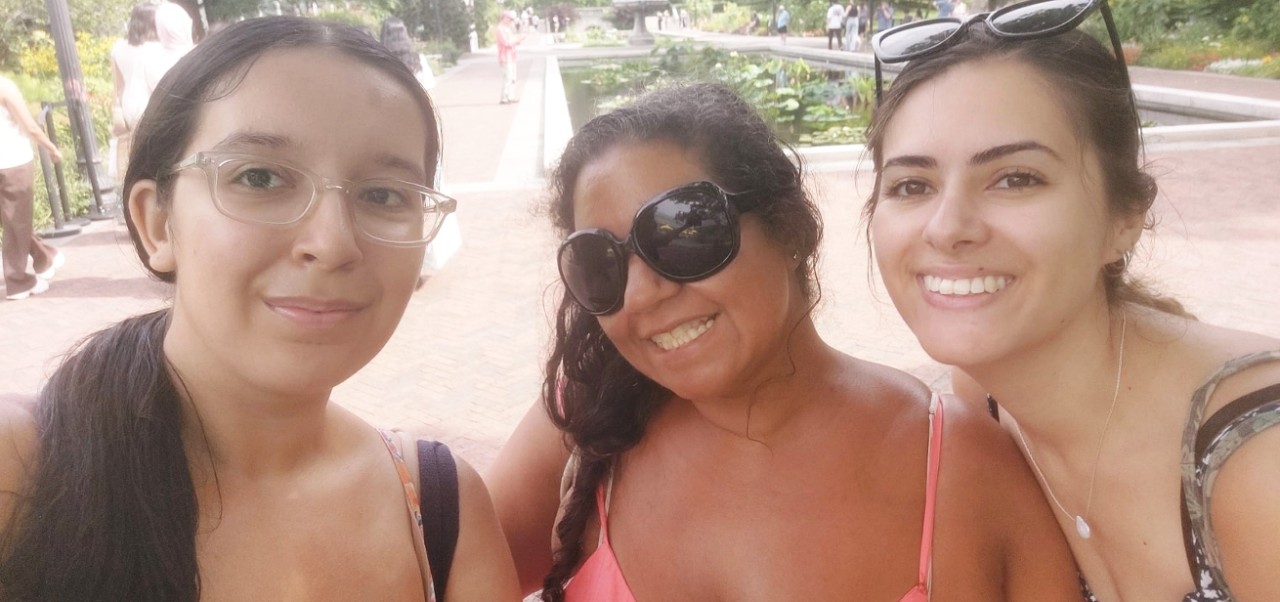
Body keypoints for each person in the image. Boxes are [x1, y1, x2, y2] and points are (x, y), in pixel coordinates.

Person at [488, 82, 1080, 601]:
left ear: (790, 229)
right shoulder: (589, 423)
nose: (640, 295)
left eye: (685, 231)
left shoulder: (961, 470)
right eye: (599, 262)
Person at [0, 17, 519, 601]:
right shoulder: (22, 471)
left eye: (383, 194)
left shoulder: (442, 512)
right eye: (260, 177)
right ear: (157, 223)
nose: (333, 243)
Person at [865, 6, 1280, 601]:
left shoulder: (1258, 462)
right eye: (911, 185)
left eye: (1016, 178)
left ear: (1124, 218)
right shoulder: (986, 398)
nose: (947, 227)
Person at [0, 75, 65, 301]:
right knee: (16, 221)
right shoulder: (4, 86)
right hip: (12, 161)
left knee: (13, 220)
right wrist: (51, 148)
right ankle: (18, 281)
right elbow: (29, 126)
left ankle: (44, 257)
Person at [496, 11, 523, 104]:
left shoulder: (507, 29)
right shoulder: (500, 29)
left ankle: (511, 96)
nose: (511, 21)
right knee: (507, 77)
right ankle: (504, 97)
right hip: (505, 56)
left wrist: (517, 41)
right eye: (509, 19)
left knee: (512, 78)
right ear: (504, 18)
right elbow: (506, 42)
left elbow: (511, 40)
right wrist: (517, 41)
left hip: (512, 56)